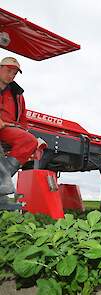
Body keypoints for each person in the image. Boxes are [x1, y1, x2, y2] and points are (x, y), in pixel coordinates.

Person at [0, 57, 38, 210]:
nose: (11, 75)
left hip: (8, 131)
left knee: (31, 141)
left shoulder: (18, 95)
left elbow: (22, 122)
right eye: (9, 71)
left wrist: (35, 138)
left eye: (14, 73)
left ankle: (2, 181)